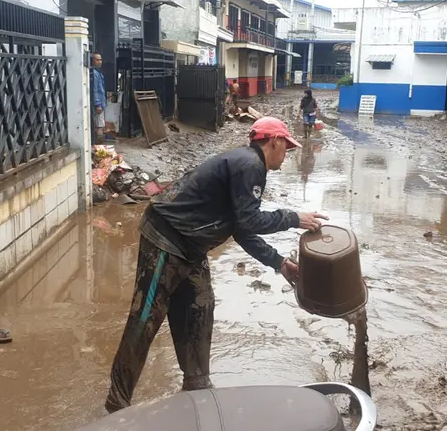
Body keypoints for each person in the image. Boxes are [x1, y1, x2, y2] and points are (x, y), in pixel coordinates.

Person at [105, 117, 329, 413]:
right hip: (165, 236)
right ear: (273, 140)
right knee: (145, 317)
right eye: (285, 148)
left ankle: (196, 385)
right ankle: (117, 404)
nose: (285, 155)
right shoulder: (250, 165)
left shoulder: (249, 165)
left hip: (191, 247)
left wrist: (280, 263)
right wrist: (293, 218)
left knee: (200, 308)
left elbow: (241, 228)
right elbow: (250, 220)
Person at [90, 53, 107, 144]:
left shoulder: (98, 73)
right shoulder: (95, 74)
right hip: (98, 104)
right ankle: (99, 147)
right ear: (93, 61)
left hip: (101, 103)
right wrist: (98, 104)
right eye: (97, 60)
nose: (100, 62)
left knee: (99, 124)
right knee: (99, 125)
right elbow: (95, 90)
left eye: (100, 60)